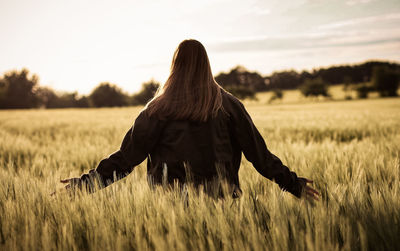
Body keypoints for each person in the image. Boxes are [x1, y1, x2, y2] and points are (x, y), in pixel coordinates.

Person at [60, 39, 319, 201]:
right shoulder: (229, 106)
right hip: (223, 207)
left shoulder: (156, 110)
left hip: (169, 210)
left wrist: (86, 183)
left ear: (175, 66)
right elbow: (259, 155)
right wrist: (293, 184)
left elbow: (126, 158)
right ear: (207, 65)